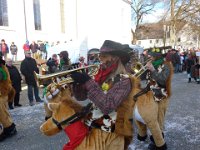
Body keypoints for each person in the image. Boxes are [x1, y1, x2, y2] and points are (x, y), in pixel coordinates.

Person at [71, 40, 133, 149]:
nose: (100, 60)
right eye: (100, 56)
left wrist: (88, 82)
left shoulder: (125, 80)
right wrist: (77, 83)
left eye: (104, 56)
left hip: (111, 134)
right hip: (93, 126)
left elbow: (107, 106)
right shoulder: (101, 76)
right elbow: (81, 97)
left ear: (115, 58)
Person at [143, 47, 173, 150]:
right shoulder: (152, 64)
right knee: (152, 119)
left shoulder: (166, 65)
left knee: (159, 120)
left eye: (150, 55)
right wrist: (143, 69)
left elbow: (163, 81)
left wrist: (152, 70)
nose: (148, 56)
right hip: (150, 96)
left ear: (156, 56)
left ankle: (159, 143)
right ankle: (155, 140)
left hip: (161, 96)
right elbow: (145, 78)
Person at [0, 55, 17, 141]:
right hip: (3, 93)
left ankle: (9, 129)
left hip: (2, 94)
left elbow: (2, 78)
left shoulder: (1, 68)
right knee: (3, 112)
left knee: (2, 113)